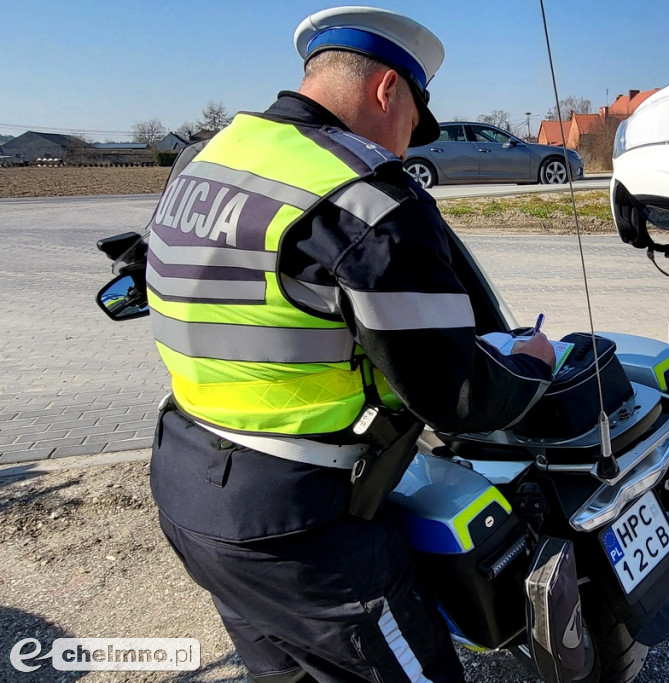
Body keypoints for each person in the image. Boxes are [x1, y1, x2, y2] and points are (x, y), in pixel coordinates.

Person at [144, 7, 556, 682]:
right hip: (304, 529)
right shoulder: (365, 195)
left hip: (190, 491)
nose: (404, 148)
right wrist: (525, 364)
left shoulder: (204, 159)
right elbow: (452, 388)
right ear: (387, 89)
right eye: (411, 125)